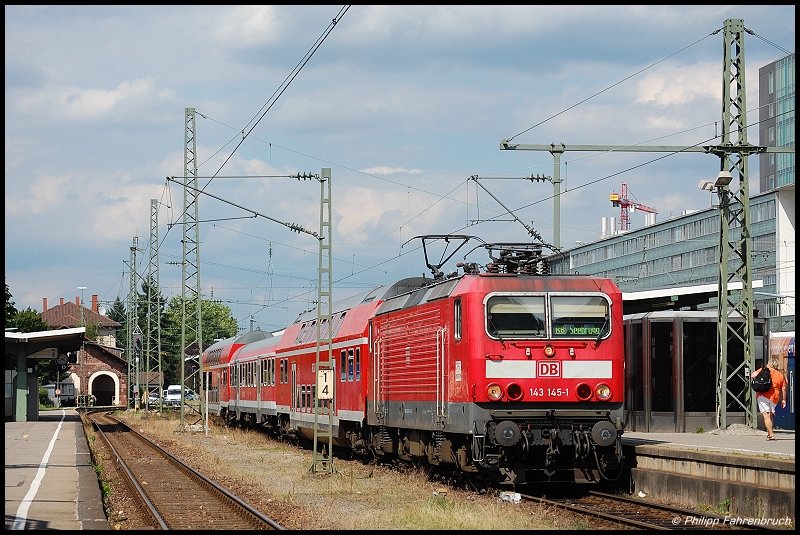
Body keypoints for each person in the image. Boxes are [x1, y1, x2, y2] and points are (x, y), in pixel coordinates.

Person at [750, 356, 787, 440]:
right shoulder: (780, 375)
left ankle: (771, 434)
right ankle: (769, 435)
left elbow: (752, 375)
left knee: (766, 416)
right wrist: (784, 400)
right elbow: (784, 389)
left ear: (769, 363)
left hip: (763, 395)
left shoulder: (764, 370)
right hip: (775, 397)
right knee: (770, 416)